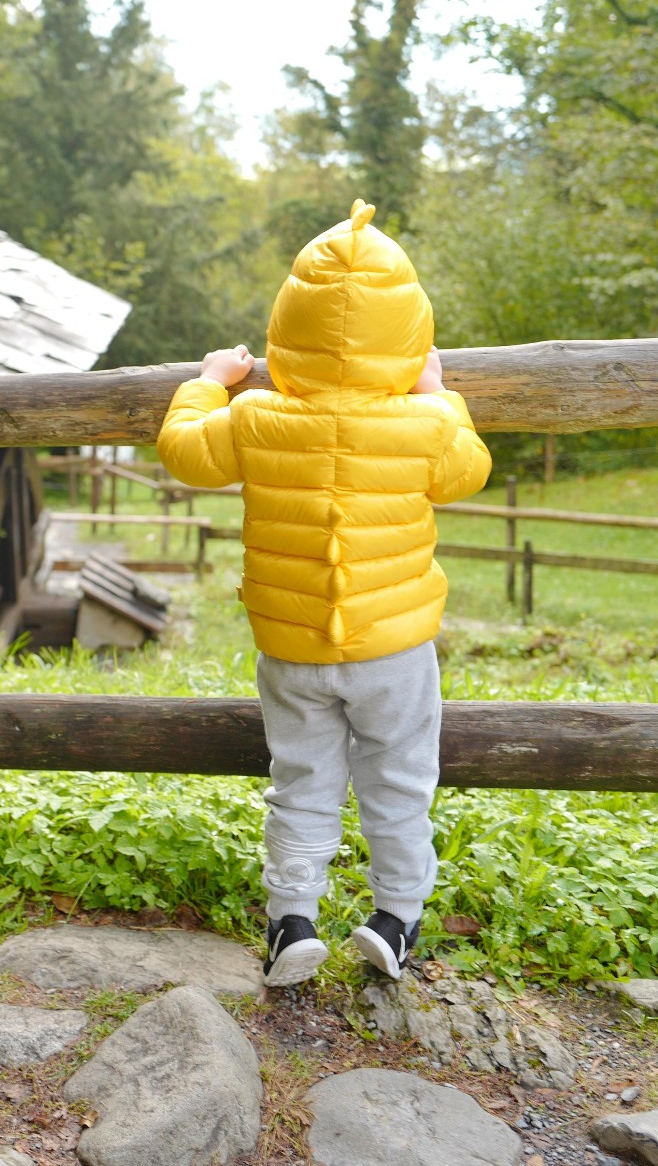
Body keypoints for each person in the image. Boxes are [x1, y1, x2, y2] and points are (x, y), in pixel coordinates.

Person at [158, 199, 491, 985]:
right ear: (409, 339)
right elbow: (468, 469)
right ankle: (396, 917)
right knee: (400, 781)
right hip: (393, 648)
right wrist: (441, 395)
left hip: (293, 647)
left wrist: (209, 382)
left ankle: (291, 921)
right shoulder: (424, 425)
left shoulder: (253, 417)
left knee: (302, 783)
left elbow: (182, 451)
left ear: (286, 330)